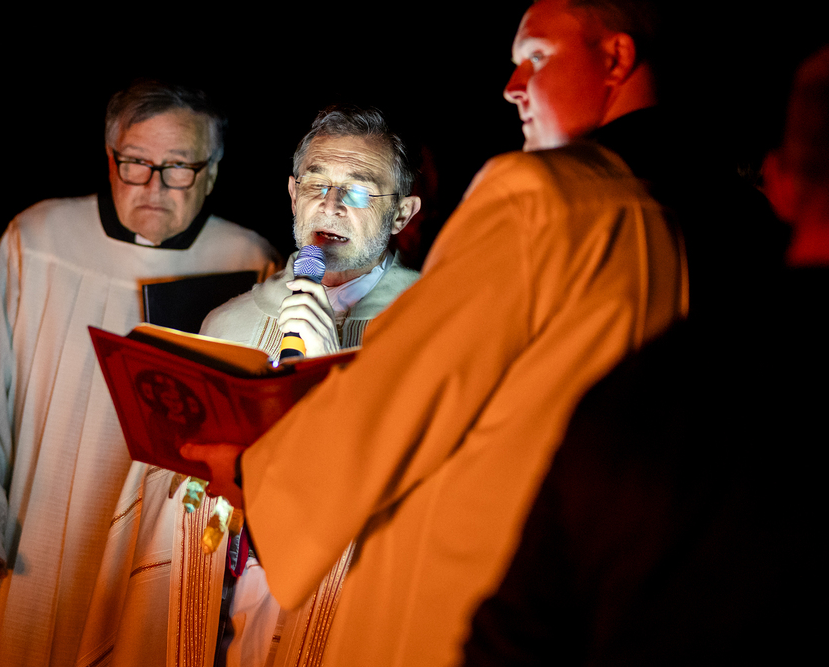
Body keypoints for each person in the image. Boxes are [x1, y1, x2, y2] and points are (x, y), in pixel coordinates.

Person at [183, 2, 688, 664]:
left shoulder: (540, 194)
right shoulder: (666, 212)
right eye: (316, 183)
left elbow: (411, 391)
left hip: (450, 591)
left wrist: (260, 473)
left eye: (535, 58)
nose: (511, 87)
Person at [460, 44, 829, 666]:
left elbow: (515, 636)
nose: (513, 85)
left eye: (538, 55)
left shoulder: (641, 395)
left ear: (782, 183)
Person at [0, 80, 278, 667]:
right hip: (32, 532)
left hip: (163, 544)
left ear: (212, 170)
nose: (153, 186)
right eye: (135, 162)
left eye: (178, 167)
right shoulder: (39, 238)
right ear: (109, 155)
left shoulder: (250, 263)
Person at [200, 105, 421, 667]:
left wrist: (328, 380)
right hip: (236, 602)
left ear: (402, 213)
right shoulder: (228, 323)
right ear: (292, 193)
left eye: (359, 190)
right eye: (317, 184)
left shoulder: (437, 323)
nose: (331, 204)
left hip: (356, 608)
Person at [503, 0, 786, 318]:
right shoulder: (752, 212)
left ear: (616, 58)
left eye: (536, 56)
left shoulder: (536, 202)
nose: (511, 88)